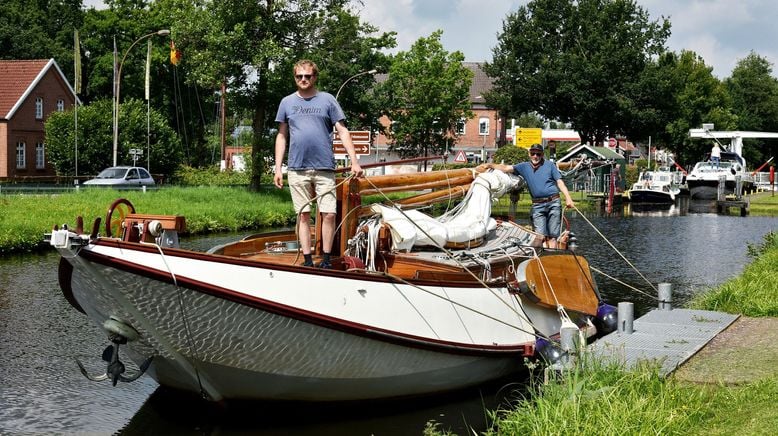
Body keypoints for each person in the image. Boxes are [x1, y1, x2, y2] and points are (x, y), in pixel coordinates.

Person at [274, 59, 363, 269]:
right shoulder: (286, 102)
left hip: (324, 167)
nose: (303, 80)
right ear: (295, 78)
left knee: (329, 214)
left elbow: (342, 131)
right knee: (303, 215)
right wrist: (278, 168)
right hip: (297, 168)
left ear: (315, 77)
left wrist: (355, 162)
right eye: (299, 76)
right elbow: (281, 136)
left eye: (307, 76)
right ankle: (307, 259)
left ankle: (325, 259)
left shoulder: (327, 100)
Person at [477, 143, 574, 248]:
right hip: (538, 205)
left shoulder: (550, 165)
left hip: (553, 202)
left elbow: (559, 182)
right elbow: (505, 168)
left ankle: (551, 259)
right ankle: (540, 258)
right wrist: (490, 165)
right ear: (529, 154)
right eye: (533, 153)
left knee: (552, 236)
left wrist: (568, 199)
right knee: (539, 236)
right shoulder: (523, 167)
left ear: (542, 155)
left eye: (538, 154)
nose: (535, 156)